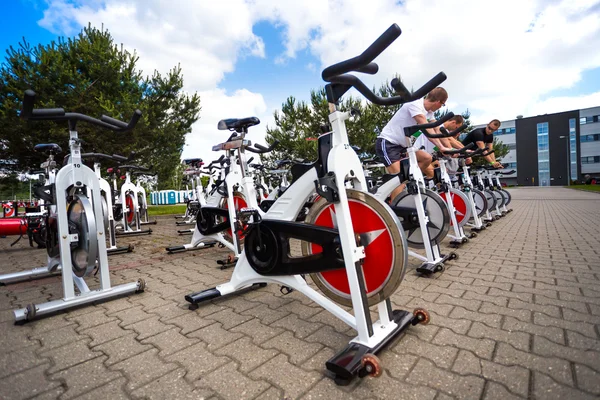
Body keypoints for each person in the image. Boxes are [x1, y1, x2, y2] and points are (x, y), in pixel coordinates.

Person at [375, 87, 451, 200]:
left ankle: (408, 179)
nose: (441, 107)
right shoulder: (415, 104)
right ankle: (393, 207)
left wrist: (448, 148)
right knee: (399, 179)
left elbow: (436, 129)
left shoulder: (429, 113)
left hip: (403, 147)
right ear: (438, 102)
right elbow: (427, 129)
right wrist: (440, 146)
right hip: (388, 144)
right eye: (443, 105)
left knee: (426, 158)